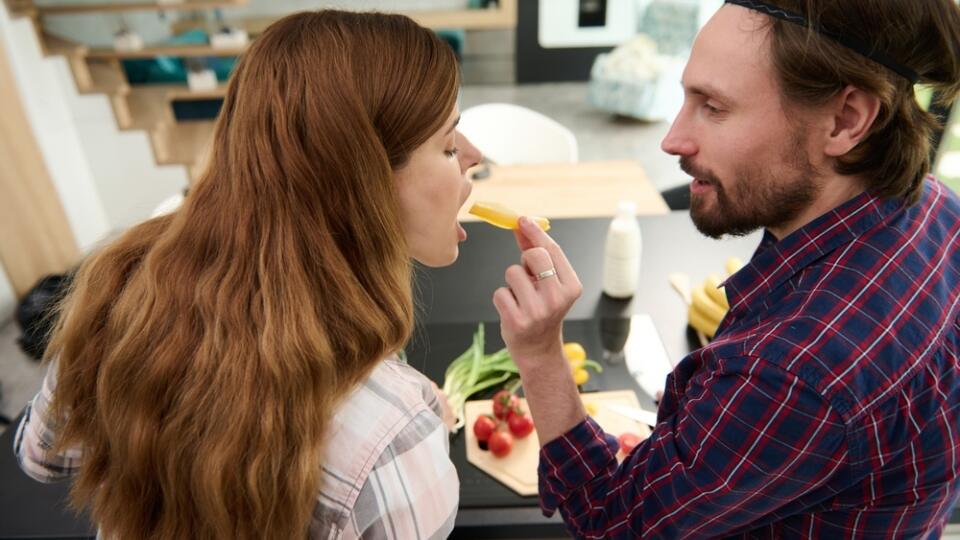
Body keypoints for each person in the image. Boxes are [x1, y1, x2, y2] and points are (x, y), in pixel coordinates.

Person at [494, 0, 960, 538]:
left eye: (713, 107)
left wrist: (540, 355)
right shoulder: (936, 209)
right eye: (686, 97)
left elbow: (614, 522)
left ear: (845, 120)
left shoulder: (792, 375)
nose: (673, 139)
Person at [14, 10, 480, 540]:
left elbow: (41, 454)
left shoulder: (122, 282)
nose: (473, 157)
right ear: (364, 181)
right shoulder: (394, 435)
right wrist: (411, 431)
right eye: (447, 145)